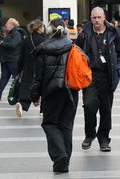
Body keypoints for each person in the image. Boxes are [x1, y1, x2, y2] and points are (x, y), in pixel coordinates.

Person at [76, 7, 120, 152]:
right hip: (90, 75)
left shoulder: (115, 34)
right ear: (90, 18)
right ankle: (90, 134)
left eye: (99, 17)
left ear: (104, 17)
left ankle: (104, 138)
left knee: (106, 109)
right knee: (88, 105)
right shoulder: (84, 34)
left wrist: (118, 71)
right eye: (94, 17)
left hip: (108, 76)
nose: (96, 20)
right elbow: (76, 54)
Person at [29, 18, 76, 173]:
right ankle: (64, 162)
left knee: (49, 124)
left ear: (51, 30)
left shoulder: (43, 49)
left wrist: (34, 96)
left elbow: (38, 76)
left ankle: (60, 156)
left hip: (52, 92)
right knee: (65, 126)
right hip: (71, 92)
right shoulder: (73, 46)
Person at [15, 19, 47, 117]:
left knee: (27, 87)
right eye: (42, 27)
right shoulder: (44, 40)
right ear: (38, 28)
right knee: (43, 88)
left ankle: (22, 104)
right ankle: (43, 110)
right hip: (41, 68)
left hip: (28, 68)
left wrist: (19, 69)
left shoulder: (26, 40)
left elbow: (21, 56)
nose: (44, 29)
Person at [0, 18, 23, 101]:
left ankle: (22, 95)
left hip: (13, 60)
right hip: (6, 60)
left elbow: (13, 45)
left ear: (12, 25)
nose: (6, 25)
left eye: (7, 24)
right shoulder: (10, 33)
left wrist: (2, 43)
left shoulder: (16, 33)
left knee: (17, 78)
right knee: (4, 77)